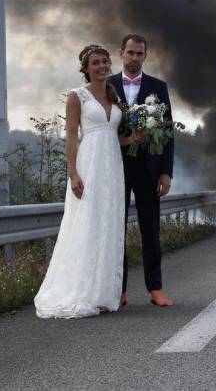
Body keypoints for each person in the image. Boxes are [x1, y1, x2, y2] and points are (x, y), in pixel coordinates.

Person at [34, 45, 142, 318]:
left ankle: (103, 293)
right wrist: (73, 173)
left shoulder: (113, 95)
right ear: (86, 68)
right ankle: (79, 291)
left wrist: (133, 138)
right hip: (90, 165)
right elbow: (72, 136)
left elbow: (111, 134)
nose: (103, 66)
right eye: (96, 63)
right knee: (87, 223)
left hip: (113, 168)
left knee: (109, 226)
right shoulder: (77, 96)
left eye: (105, 61)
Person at [108, 34, 175, 308]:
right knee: (115, 231)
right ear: (121, 53)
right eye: (131, 53)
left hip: (149, 168)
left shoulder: (158, 87)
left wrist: (166, 172)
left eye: (140, 54)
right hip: (115, 166)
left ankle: (155, 289)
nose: (135, 58)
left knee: (151, 230)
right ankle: (119, 291)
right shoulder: (107, 85)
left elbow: (168, 132)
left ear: (145, 56)